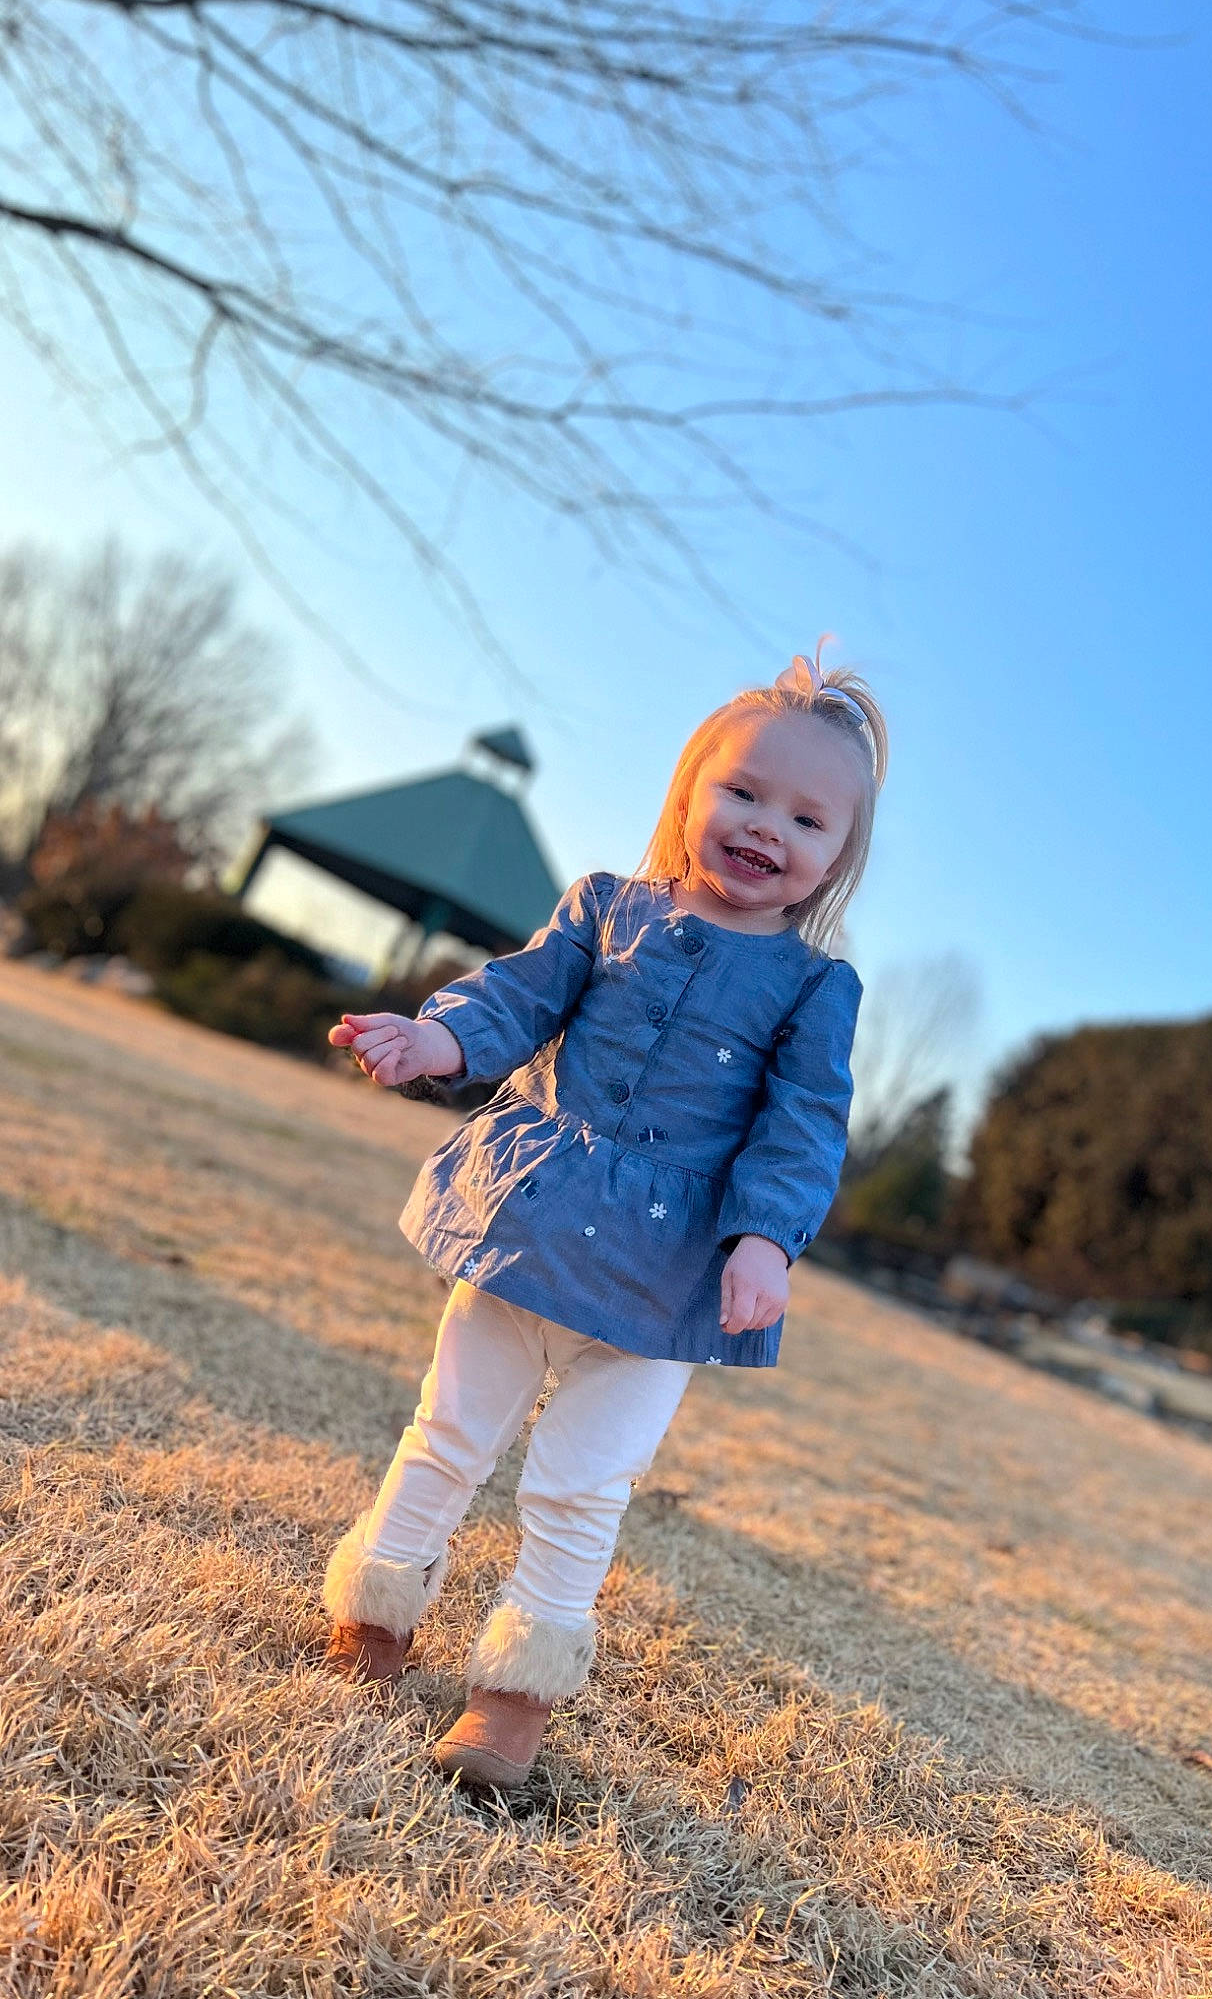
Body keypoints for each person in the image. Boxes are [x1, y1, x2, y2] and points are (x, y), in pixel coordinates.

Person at [319, 641, 887, 1791]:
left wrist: (766, 1237)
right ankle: (377, 1608)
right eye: (743, 791)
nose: (767, 826)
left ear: (837, 855)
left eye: (807, 818)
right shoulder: (604, 908)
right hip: (527, 1224)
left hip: (660, 1284)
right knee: (448, 1430)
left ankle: (514, 1698)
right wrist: (436, 1038)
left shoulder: (815, 989)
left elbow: (803, 1124)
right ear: (689, 794)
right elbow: (516, 994)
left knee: (581, 1485)